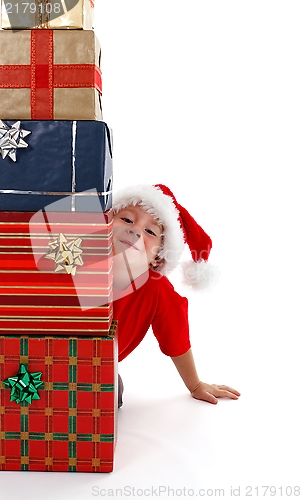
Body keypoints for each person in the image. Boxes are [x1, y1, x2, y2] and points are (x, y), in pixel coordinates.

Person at [112, 184, 240, 407]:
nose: (136, 231)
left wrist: (195, 385)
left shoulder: (155, 289)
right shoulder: (76, 257)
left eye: (150, 231)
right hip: (44, 346)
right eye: (127, 219)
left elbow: (176, 337)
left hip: (98, 364)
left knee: (108, 393)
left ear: (158, 257)